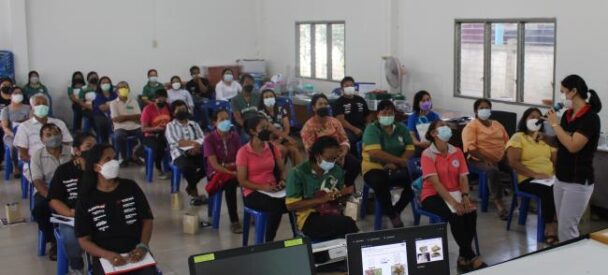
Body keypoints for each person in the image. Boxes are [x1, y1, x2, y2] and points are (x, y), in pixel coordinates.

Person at [75, 145, 156, 275]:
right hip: (104, 257)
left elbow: (147, 220)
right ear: (96, 167)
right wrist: (106, 255)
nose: (114, 162)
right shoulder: (86, 199)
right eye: (108, 159)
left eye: (115, 158)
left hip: (136, 250)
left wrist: (143, 246)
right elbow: (83, 240)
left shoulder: (130, 187)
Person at [420, 120, 486, 272]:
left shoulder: (456, 151)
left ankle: (463, 257)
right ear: (433, 133)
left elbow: (463, 177)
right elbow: (435, 184)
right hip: (433, 195)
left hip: (456, 192)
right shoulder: (427, 155)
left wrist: (464, 196)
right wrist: (454, 203)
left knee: (471, 212)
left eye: (447, 126)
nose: (446, 129)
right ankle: (471, 255)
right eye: (442, 126)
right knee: (455, 215)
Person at [546, 74, 602, 242]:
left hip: (578, 181)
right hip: (561, 178)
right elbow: (562, 141)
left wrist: (554, 124)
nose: (562, 97)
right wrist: (545, 138)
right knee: (562, 225)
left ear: (574, 92)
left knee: (567, 229)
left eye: (564, 92)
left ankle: (572, 263)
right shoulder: (568, 115)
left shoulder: (590, 118)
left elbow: (573, 146)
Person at [286, 136, 358, 240]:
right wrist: (322, 200)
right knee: (347, 225)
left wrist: (345, 195)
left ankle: (341, 251)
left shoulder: (336, 170)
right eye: (329, 158)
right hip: (309, 217)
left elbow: (340, 198)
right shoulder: (298, 173)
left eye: (335, 158)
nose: (333, 162)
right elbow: (291, 206)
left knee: (349, 218)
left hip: (333, 211)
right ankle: (354, 249)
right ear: (317, 156)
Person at [506, 107, 558, 245]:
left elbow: (555, 161)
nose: (535, 119)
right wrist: (535, 174)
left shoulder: (545, 139)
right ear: (525, 119)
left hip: (548, 178)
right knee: (549, 191)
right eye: (531, 117)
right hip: (528, 178)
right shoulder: (518, 137)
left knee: (564, 187)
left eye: (538, 117)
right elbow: (513, 162)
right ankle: (550, 228)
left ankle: (561, 222)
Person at [362, 100, 415, 228]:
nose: (387, 115)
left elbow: (410, 148)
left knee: (417, 181)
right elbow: (375, 153)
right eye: (384, 112)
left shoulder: (401, 128)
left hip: (396, 167)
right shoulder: (372, 129)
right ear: (378, 114)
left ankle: (396, 210)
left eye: (390, 113)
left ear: (394, 114)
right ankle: (392, 216)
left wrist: (396, 164)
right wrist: (397, 161)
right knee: (380, 182)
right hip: (374, 167)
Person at [48, 132, 96, 273]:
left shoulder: (100, 170)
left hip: (97, 212)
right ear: (76, 151)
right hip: (72, 216)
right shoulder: (64, 171)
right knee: (70, 237)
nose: (93, 150)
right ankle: (76, 264)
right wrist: (69, 213)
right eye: (88, 146)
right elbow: (54, 199)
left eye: (95, 146)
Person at [236, 116, 287, 242]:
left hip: (273, 189)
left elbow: (282, 170)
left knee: (295, 201)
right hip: (253, 192)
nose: (267, 130)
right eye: (263, 128)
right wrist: (263, 187)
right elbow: (242, 181)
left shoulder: (271, 147)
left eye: (267, 127)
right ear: (253, 131)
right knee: (277, 206)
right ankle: (269, 241)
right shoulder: (243, 152)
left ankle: (299, 236)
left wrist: (282, 180)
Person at [30, 123, 73, 261]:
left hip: (71, 189)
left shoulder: (71, 152)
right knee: (40, 209)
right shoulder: (37, 156)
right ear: (42, 139)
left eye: (56, 133)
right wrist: (51, 198)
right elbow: (37, 181)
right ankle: (54, 241)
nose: (53, 137)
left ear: (61, 135)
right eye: (48, 135)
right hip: (47, 191)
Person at [462, 99, 510, 220]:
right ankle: (498, 202)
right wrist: (485, 159)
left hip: (501, 157)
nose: (484, 110)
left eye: (487, 107)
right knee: (492, 171)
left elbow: (508, 142)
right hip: (478, 159)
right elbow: (470, 148)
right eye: (481, 108)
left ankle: (525, 198)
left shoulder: (497, 125)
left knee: (517, 166)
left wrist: (506, 156)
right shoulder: (471, 126)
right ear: (475, 111)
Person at [301, 93, 361, 188]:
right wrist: (330, 158)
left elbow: (344, 139)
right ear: (313, 108)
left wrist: (344, 151)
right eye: (320, 104)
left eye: (326, 104)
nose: (324, 106)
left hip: (338, 154)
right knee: (331, 169)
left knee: (355, 164)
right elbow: (311, 150)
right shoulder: (308, 127)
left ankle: (345, 187)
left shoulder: (335, 122)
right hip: (319, 159)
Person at [203, 109, 242, 233]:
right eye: (222, 119)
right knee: (230, 183)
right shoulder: (209, 139)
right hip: (217, 173)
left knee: (250, 178)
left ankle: (252, 210)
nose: (226, 122)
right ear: (215, 123)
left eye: (227, 119)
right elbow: (214, 165)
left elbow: (241, 157)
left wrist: (236, 169)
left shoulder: (234, 136)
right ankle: (234, 221)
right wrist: (231, 172)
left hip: (234, 169)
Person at [15, 94, 72, 171]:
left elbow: (67, 146)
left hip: (59, 162)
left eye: (44, 104)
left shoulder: (59, 123)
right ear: (31, 107)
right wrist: (40, 164)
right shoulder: (24, 127)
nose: (41, 106)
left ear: (48, 107)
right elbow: (23, 155)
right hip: (35, 164)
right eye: (37, 104)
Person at [165, 100, 207, 205]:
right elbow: (176, 142)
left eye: (183, 109)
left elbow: (202, 138)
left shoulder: (194, 124)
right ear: (173, 113)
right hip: (179, 154)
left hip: (197, 151)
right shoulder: (170, 126)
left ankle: (191, 185)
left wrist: (196, 147)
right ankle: (195, 194)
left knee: (209, 164)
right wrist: (193, 144)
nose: (182, 112)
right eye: (179, 110)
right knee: (188, 167)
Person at [258, 88, 302, 165]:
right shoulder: (260, 113)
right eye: (266, 97)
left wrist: (281, 139)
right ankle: (280, 174)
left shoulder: (281, 109)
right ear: (262, 100)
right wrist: (278, 140)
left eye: (271, 96)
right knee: (281, 149)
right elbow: (271, 128)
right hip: (268, 139)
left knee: (294, 150)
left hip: (282, 137)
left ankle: (298, 174)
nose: (269, 98)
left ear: (275, 98)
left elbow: (287, 128)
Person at [332, 76, 370, 155]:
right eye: (346, 86)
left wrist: (368, 126)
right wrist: (354, 129)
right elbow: (341, 120)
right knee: (350, 139)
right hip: (347, 129)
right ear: (342, 89)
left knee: (373, 137)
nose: (349, 87)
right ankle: (353, 159)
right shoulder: (338, 102)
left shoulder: (360, 99)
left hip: (362, 127)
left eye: (351, 85)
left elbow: (368, 115)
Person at [110, 81, 143, 167]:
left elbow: (139, 116)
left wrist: (123, 117)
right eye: (121, 87)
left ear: (128, 90)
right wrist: (131, 117)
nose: (123, 89)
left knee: (146, 135)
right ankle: (124, 158)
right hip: (120, 128)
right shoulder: (113, 103)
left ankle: (135, 156)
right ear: (117, 90)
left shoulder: (133, 101)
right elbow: (116, 119)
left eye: (125, 87)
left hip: (135, 126)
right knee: (119, 137)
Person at [141, 89, 171, 180]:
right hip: (151, 134)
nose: (161, 101)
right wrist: (155, 129)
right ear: (155, 99)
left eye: (163, 99)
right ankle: (158, 168)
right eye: (159, 99)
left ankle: (172, 167)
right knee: (158, 147)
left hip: (166, 133)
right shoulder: (148, 109)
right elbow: (143, 128)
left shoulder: (169, 107)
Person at [1, 86, 31, 178]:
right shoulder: (5, 110)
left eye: (20, 93)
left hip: (26, 133)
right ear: (10, 96)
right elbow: (5, 127)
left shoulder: (28, 108)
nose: (18, 95)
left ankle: (31, 166)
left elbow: (31, 122)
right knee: (12, 145)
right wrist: (13, 134)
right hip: (10, 135)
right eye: (15, 93)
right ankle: (16, 166)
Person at [232, 74, 260, 142]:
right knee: (248, 138)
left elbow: (262, 113)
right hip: (246, 126)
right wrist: (248, 127)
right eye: (247, 82)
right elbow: (238, 118)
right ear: (241, 84)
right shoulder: (235, 100)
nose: (249, 84)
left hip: (259, 124)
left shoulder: (258, 96)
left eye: (251, 83)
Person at [92, 76, 117, 144]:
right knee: (102, 124)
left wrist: (108, 104)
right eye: (103, 83)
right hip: (100, 115)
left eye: (107, 82)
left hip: (113, 114)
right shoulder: (98, 95)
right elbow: (103, 108)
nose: (106, 84)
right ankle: (104, 144)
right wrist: (112, 103)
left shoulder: (114, 94)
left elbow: (118, 105)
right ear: (100, 85)